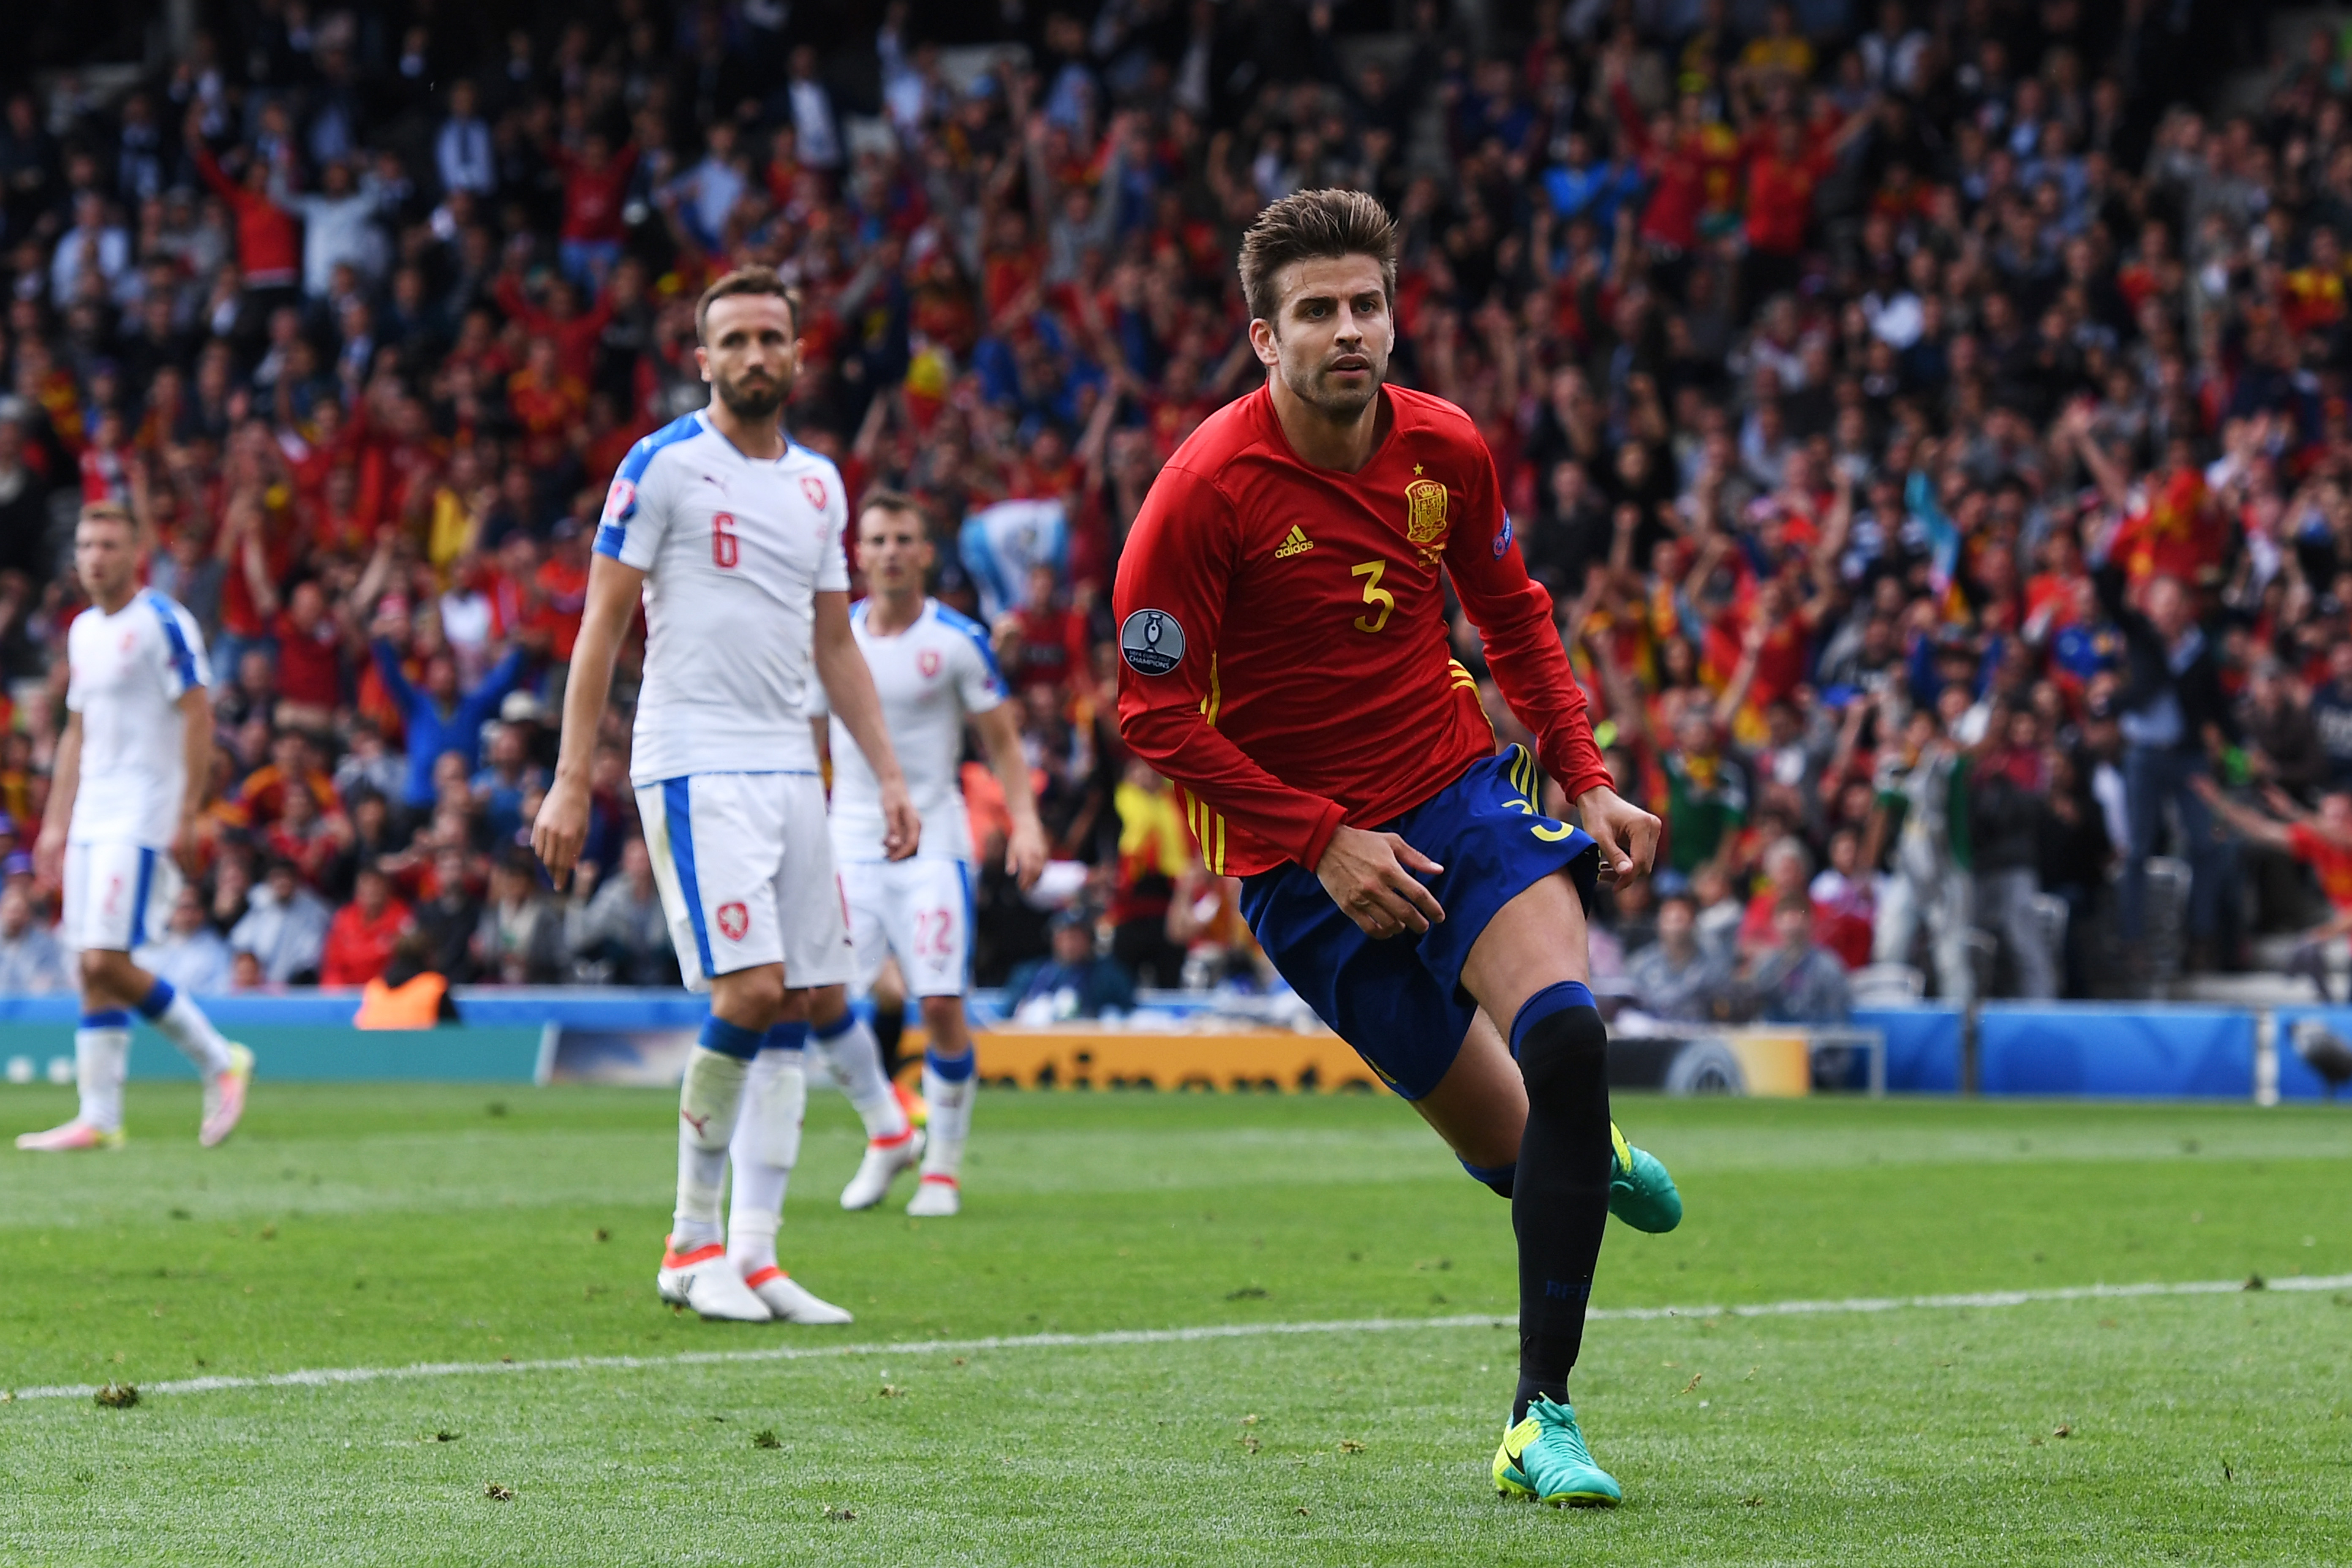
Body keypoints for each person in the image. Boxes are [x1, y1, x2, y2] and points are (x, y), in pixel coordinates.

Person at [1111, 191, 1677, 1509]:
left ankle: (1540, 1419)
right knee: (1513, 1149)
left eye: (1365, 304)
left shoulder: (1444, 448)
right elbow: (1148, 709)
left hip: (1453, 788)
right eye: (1316, 311)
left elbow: (1513, 613)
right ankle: (1578, 1155)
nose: (1348, 330)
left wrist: (1583, 778)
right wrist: (1317, 839)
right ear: (1263, 337)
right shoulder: (1203, 491)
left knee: (1571, 1040)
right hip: (1297, 865)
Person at [532, 267, 918, 1326]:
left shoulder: (821, 484)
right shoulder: (661, 465)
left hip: (793, 766)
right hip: (695, 759)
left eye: (772, 338)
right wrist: (573, 779)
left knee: (796, 999)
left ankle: (755, 1252)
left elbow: (835, 642)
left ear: (799, 354)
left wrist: (885, 772)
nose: (755, 355)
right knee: (748, 992)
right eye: (735, 339)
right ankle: (687, 1242)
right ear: (703, 358)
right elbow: (601, 626)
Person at [803, 490, 1048, 1218]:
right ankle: (886, 1128)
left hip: (935, 840)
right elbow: (805, 742)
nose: (888, 553)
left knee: (939, 1001)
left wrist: (1025, 822)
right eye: (875, 540)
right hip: (848, 838)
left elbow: (1000, 740)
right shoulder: (833, 640)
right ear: (857, 554)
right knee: (824, 997)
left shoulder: (957, 641)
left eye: (902, 539)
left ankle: (940, 1166)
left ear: (925, 553)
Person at [18, 502, 253, 1153]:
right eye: (87, 544)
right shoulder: (83, 630)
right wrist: (55, 824)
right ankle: (100, 1118)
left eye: (108, 545)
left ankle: (219, 1060)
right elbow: (76, 731)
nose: (94, 556)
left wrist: (187, 810)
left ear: (136, 552)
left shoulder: (162, 623)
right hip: (92, 814)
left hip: (143, 814)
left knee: (106, 959)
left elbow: (198, 713)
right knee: (90, 969)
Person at [2192, 779, 2352, 1001]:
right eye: (2328, 816)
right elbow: (2262, 830)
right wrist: (2220, 802)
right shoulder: (2319, 843)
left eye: (2340, 817)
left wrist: (2294, 812)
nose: (2331, 824)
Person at [1622, 881, 1731, 1023]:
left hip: (1701, 1035)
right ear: (1659, 923)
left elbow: (1723, 1005)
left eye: (1680, 919)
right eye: (1669, 919)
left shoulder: (1713, 962)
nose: (1674, 928)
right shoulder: (1640, 964)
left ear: (1693, 923)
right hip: (1653, 1037)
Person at [1006, 909, 1135, 1019]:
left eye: (1077, 938)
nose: (1070, 945)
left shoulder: (1108, 974)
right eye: (1064, 937)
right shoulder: (1032, 971)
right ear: (1054, 940)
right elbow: (1011, 1007)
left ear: (1089, 941)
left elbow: (1126, 1008)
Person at [0, 879, 69, 994]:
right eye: (10, 911)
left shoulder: (45, 943)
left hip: (34, 1004)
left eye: (18, 911)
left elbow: (56, 977)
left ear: (28, 914)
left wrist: (47, 982)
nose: (13, 917)